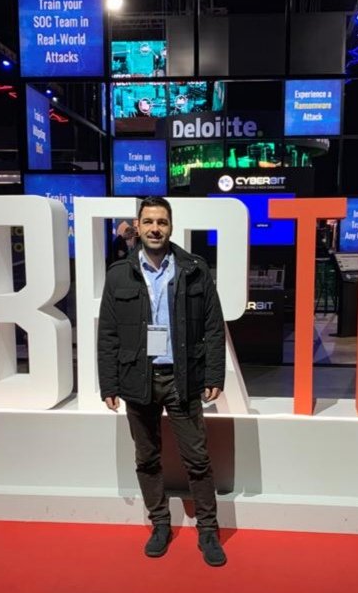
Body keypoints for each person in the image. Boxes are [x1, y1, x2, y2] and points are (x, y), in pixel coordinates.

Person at [98, 196, 227, 567]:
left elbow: (214, 327)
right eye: (149, 222)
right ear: (137, 226)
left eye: (162, 222)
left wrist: (214, 373)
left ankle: (208, 530)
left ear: (171, 227)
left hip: (182, 377)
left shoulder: (194, 269)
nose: (155, 229)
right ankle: (160, 525)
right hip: (137, 377)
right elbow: (108, 333)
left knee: (197, 458)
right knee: (147, 458)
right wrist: (109, 383)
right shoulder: (118, 274)